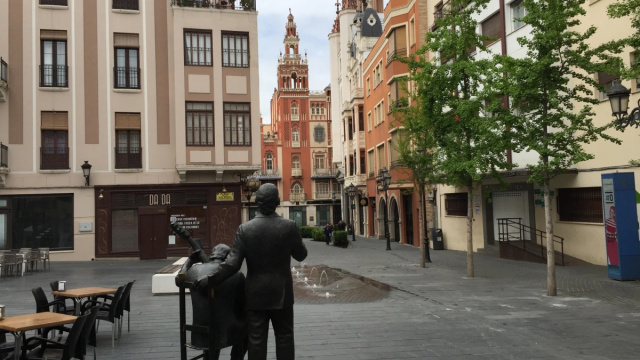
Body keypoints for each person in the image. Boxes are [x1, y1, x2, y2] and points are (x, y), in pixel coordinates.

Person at [198, 183, 308, 360]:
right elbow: (301, 255)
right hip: (282, 293)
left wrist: (211, 279)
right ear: (278, 201)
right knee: (285, 337)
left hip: (255, 295)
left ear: (257, 203)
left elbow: (232, 264)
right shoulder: (290, 226)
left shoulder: (245, 229)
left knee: (256, 340)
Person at [175, 244, 247, 360]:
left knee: (213, 323)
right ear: (228, 258)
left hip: (199, 334)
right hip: (224, 333)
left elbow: (179, 281)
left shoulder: (194, 270)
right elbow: (242, 306)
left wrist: (189, 261)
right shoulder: (236, 275)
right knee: (247, 329)